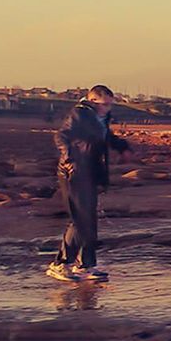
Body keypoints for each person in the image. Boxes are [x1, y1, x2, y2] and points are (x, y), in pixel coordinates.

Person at [47, 84, 130, 282]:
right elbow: (61, 135)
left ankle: (83, 265)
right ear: (93, 101)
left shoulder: (100, 117)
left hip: (89, 171)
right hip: (75, 172)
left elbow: (104, 137)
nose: (108, 108)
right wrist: (70, 157)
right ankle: (63, 264)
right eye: (105, 105)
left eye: (110, 105)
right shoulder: (80, 114)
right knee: (81, 218)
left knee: (86, 219)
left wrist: (122, 146)